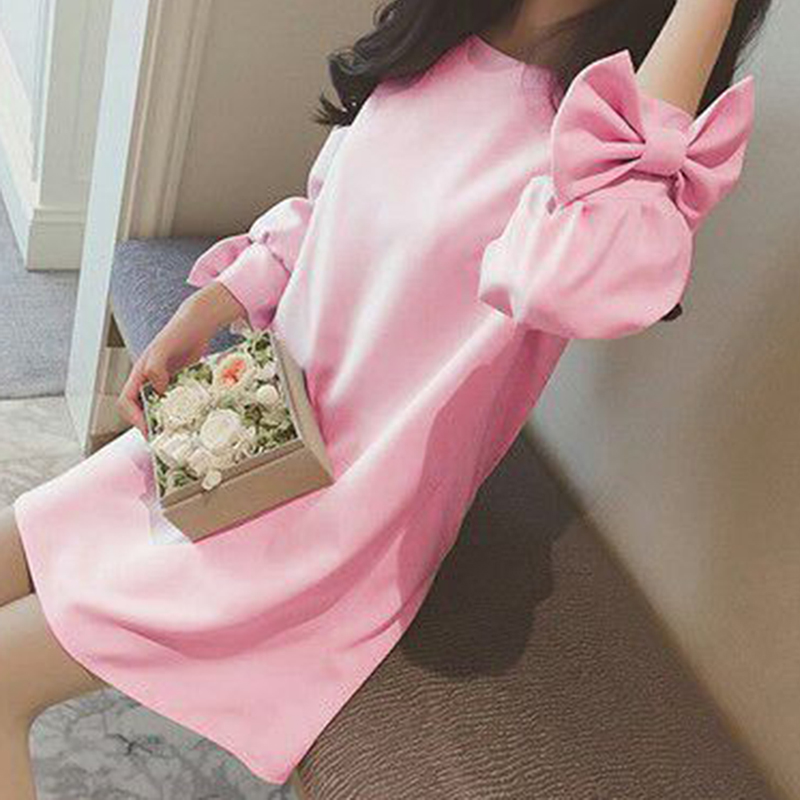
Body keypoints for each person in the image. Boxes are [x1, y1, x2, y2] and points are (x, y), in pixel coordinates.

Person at [1, 0, 770, 794]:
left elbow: (576, 282)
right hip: (255, 434)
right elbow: (334, 208)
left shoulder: (596, 164)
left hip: (337, 521)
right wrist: (217, 300)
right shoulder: (443, 41)